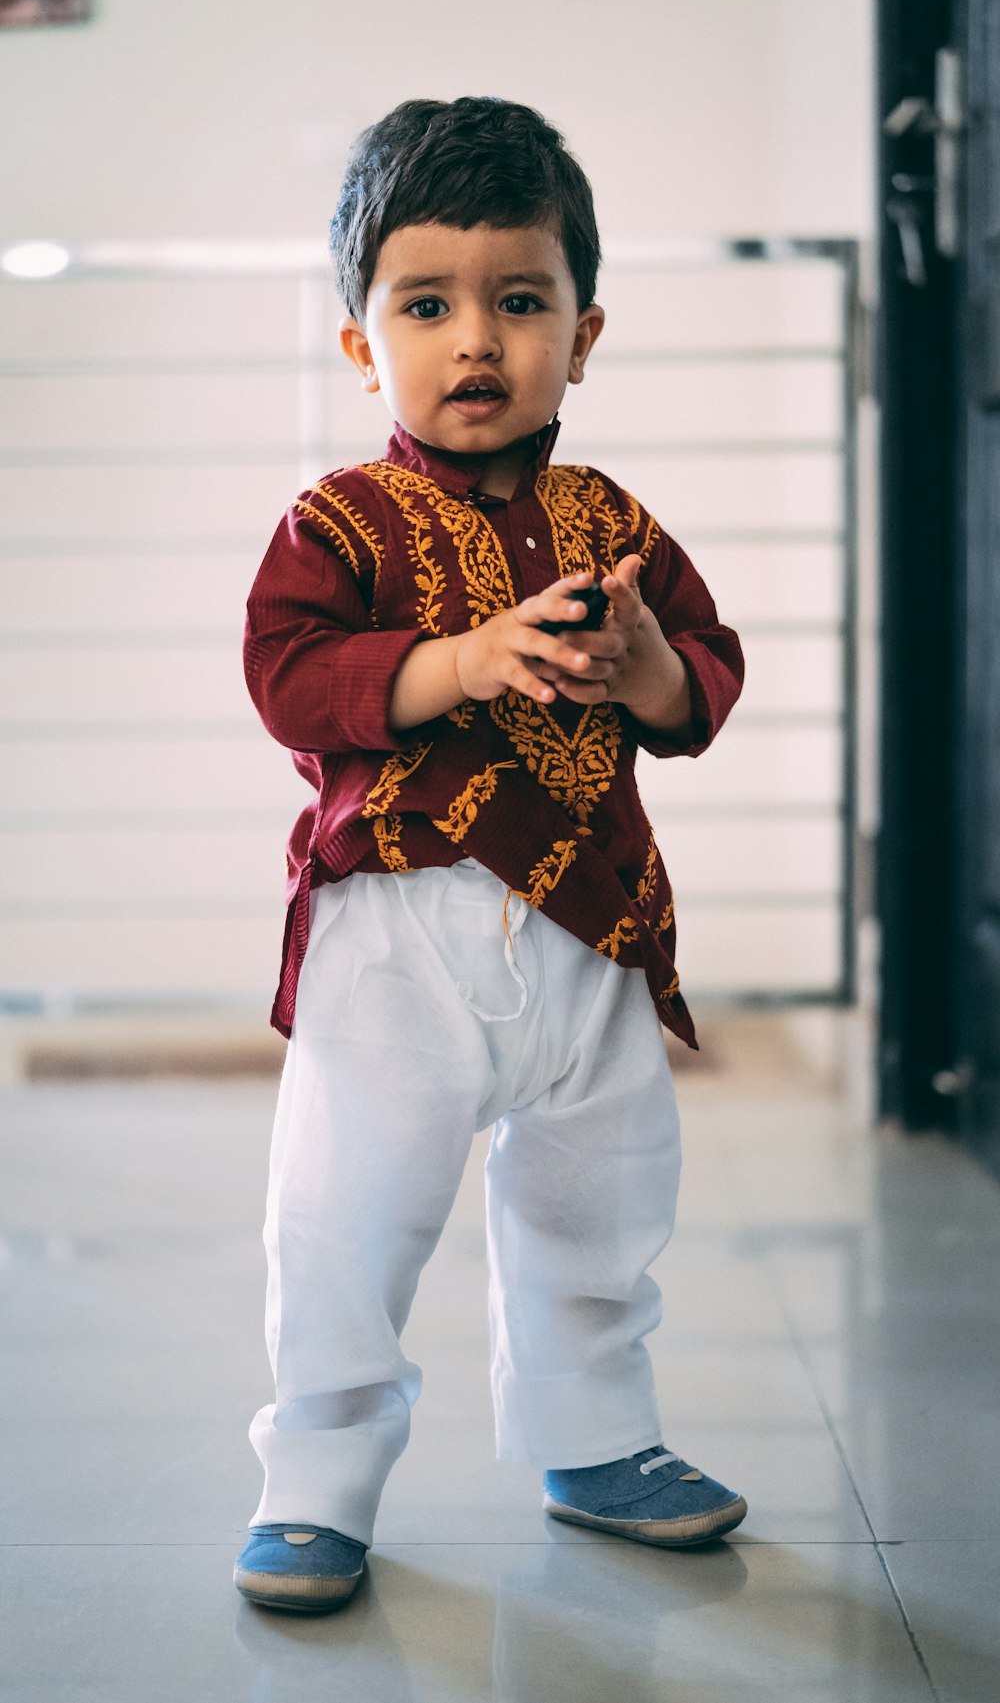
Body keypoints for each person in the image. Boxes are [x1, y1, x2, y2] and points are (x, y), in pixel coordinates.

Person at [234, 96, 747, 1615]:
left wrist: (648, 659)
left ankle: (597, 1442)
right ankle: (315, 1482)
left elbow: (702, 683)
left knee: (604, 1194)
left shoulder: (615, 525)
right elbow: (288, 676)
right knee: (344, 1217)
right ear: (360, 341)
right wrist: (458, 663)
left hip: (590, 921)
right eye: (429, 304)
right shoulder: (339, 519)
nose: (478, 341)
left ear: (582, 335)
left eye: (520, 302)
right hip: (397, 938)